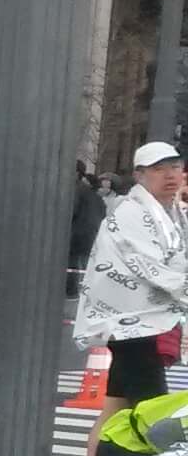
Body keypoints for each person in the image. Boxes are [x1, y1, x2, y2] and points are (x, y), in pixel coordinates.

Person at [74, 141, 188, 419]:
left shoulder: (169, 211)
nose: (170, 175)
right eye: (159, 169)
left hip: (141, 323)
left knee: (115, 410)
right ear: (139, 175)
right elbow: (158, 270)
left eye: (175, 167)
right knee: (152, 413)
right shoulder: (132, 213)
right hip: (136, 323)